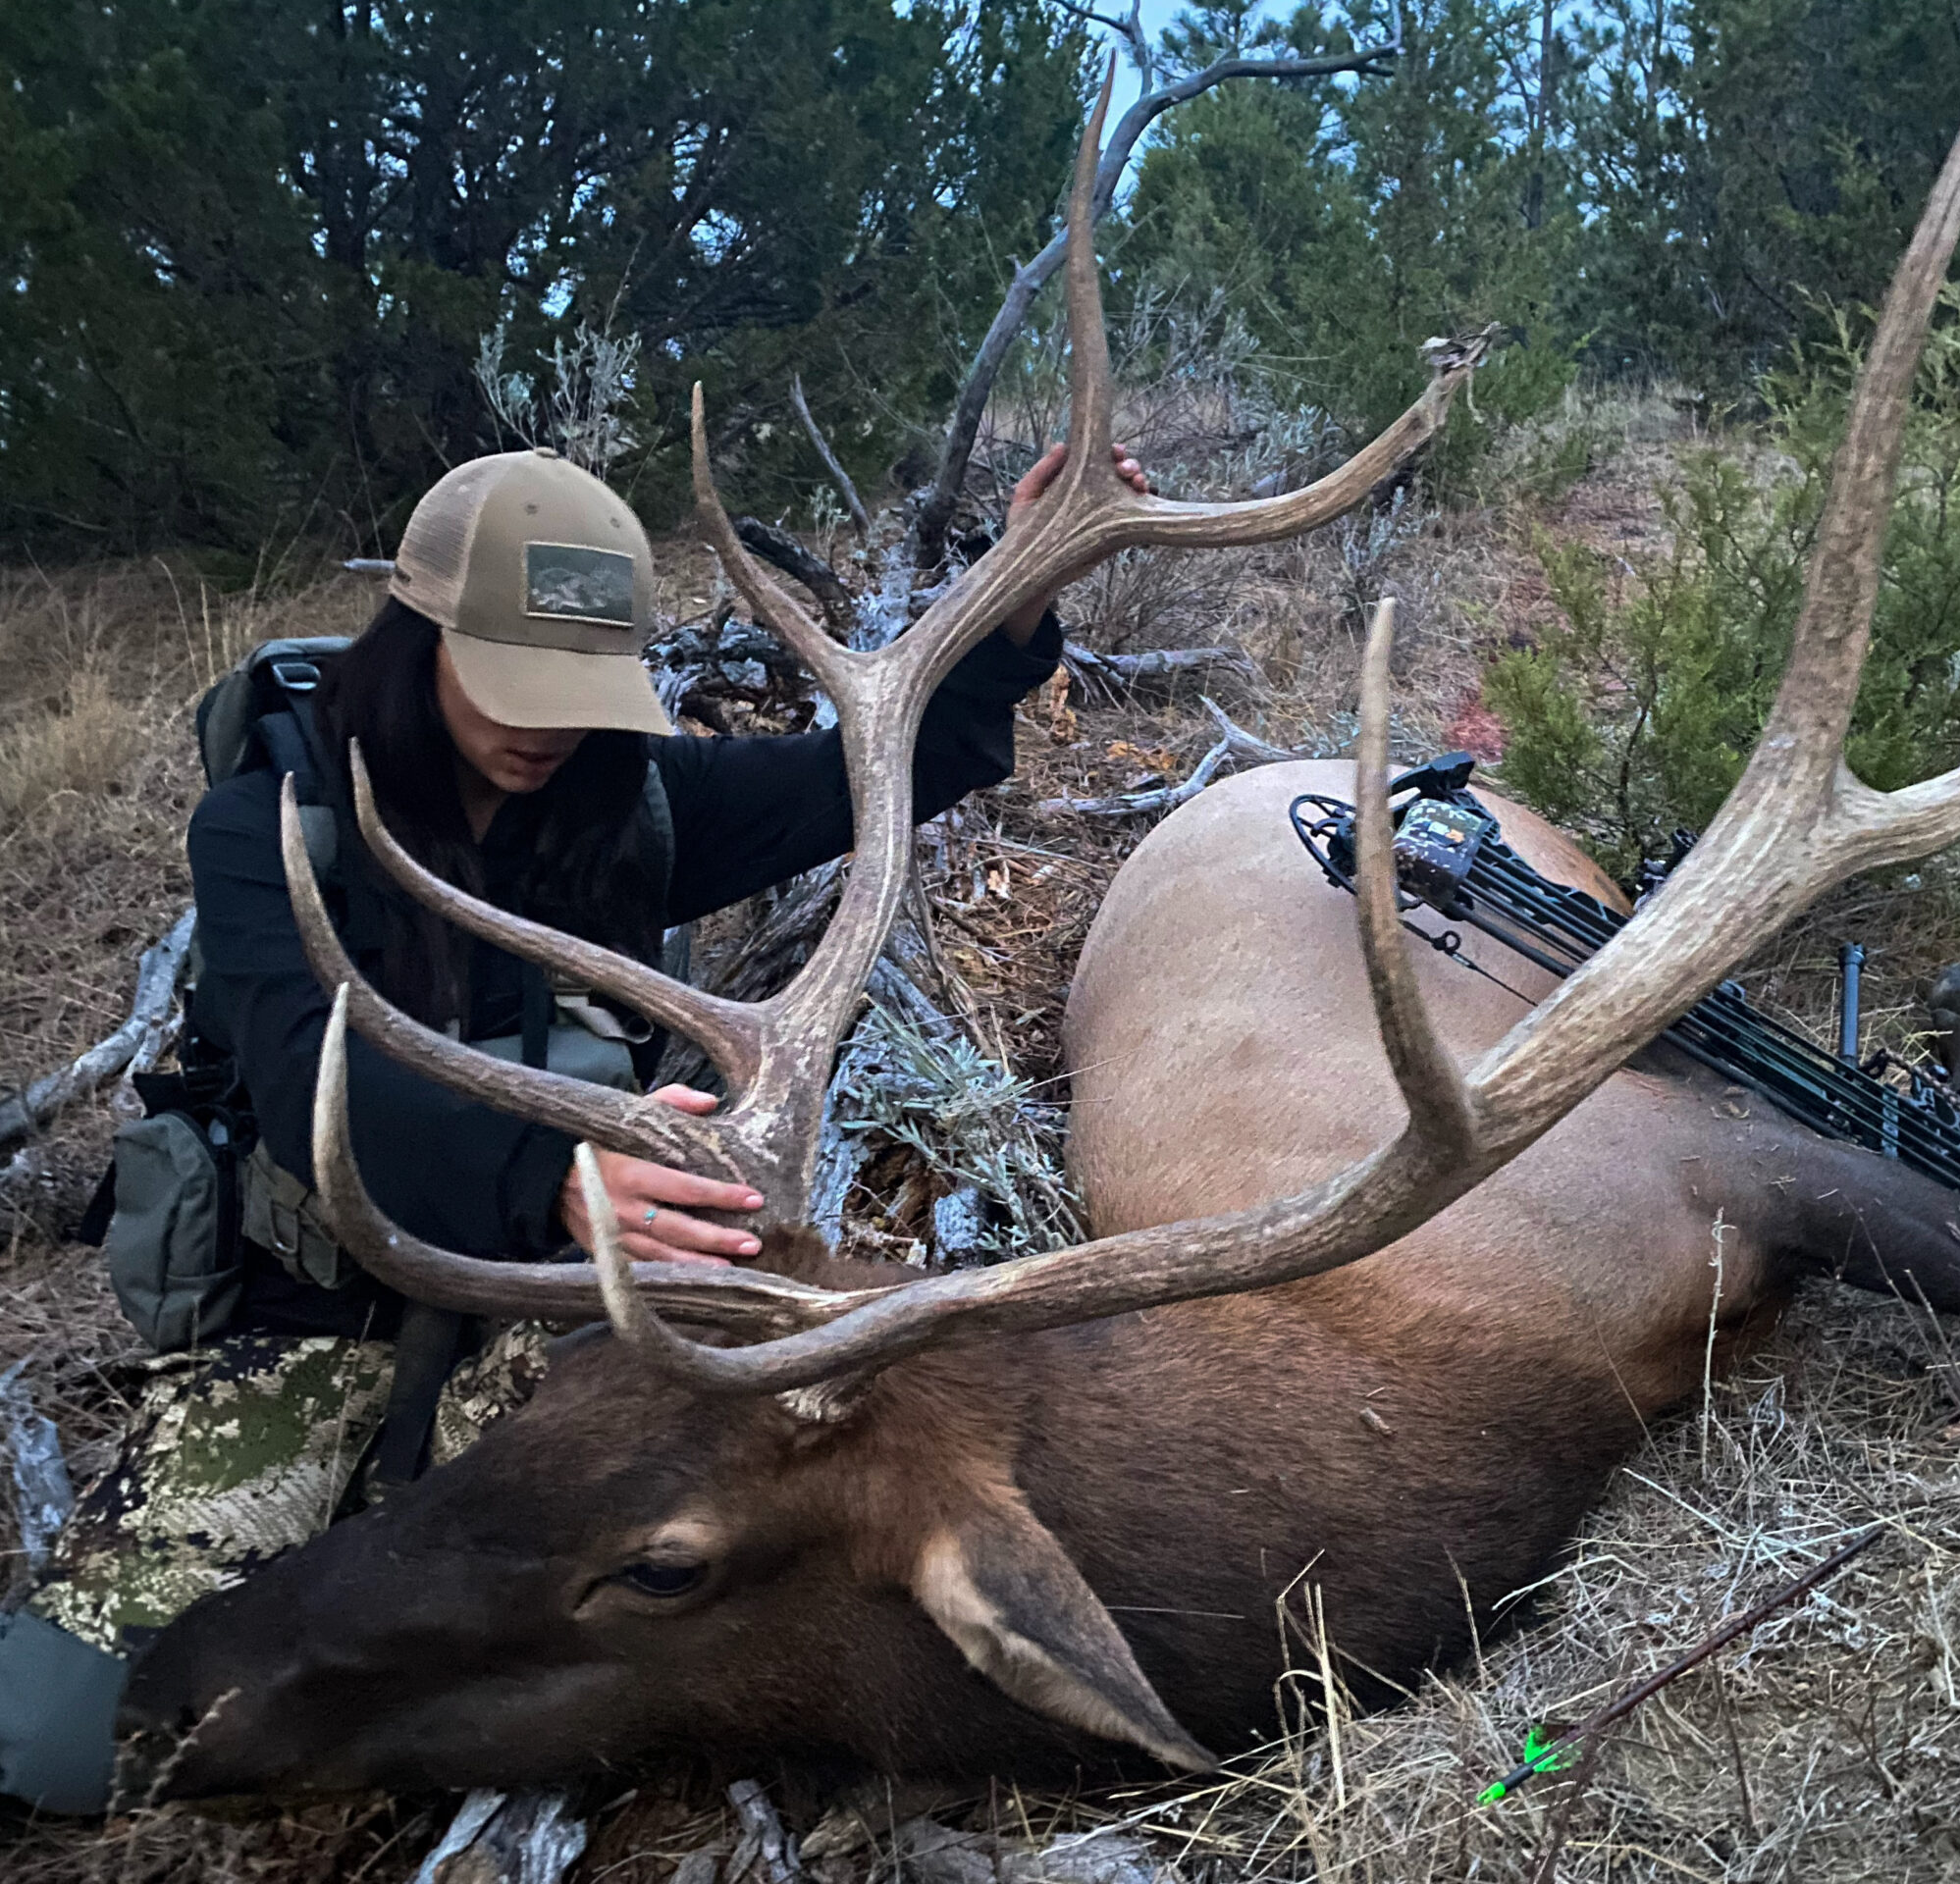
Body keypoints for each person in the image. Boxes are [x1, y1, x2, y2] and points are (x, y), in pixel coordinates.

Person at [0, 438, 1147, 1813]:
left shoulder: (628, 804)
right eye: (510, 681)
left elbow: (876, 771)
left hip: (563, 1332)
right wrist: (549, 1172)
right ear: (415, 628)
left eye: (575, 689)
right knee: (64, 1742)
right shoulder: (272, 828)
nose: (541, 727)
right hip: (312, 1324)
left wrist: (1014, 600)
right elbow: (311, 1071)